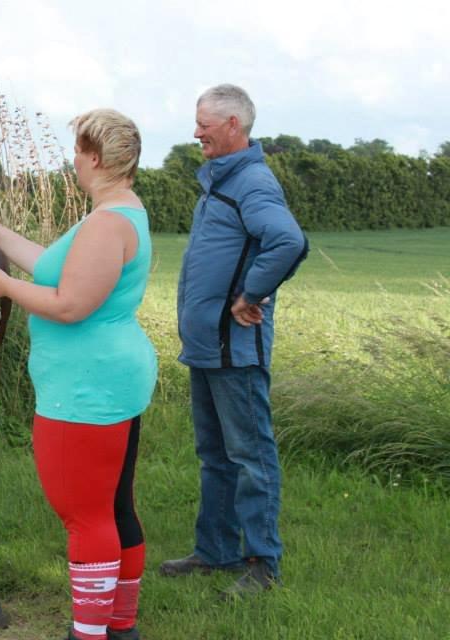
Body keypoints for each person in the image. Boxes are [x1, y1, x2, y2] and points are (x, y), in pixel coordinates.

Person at [0, 109, 157, 640]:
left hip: (87, 389)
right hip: (109, 379)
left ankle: (89, 633)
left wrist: (3, 287)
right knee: (115, 507)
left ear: (95, 157)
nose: (73, 159)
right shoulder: (121, 212)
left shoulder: (106, 223)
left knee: (86, 516)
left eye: (78, 150)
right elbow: (53, 267)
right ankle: (119, 627)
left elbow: (70, 302)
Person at [160, 84, 308, 598]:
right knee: (215, 455)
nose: (195, 131)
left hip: (235, 350)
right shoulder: (221, 179)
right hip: (207, 347)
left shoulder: (252, 182)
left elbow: (289, 240)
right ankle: (216, 550)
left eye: (203, 123)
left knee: (251, 457)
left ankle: (263, 565)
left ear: (232, 126)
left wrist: (252, 293)